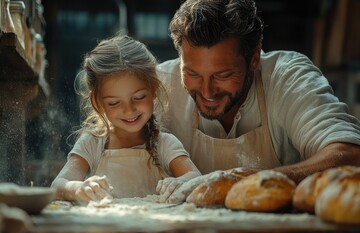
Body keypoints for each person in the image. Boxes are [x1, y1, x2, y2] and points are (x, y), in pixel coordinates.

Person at [156, 0, 360, 202]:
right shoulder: (160, 85)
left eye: (223, 75)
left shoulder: (287, 78)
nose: (207, 91)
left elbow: (350, 154)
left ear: (254, 58)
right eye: (192, 74)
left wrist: (244, 181)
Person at [51, 33, 201, 203]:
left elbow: (195, 177)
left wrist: (181, 181)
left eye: (138, 97)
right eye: (114, 103)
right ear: (97, 102)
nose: (129, 109)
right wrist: (77, 188)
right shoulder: (92, 144)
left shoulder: (165, 144)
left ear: (154, 90)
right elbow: (57, 185)